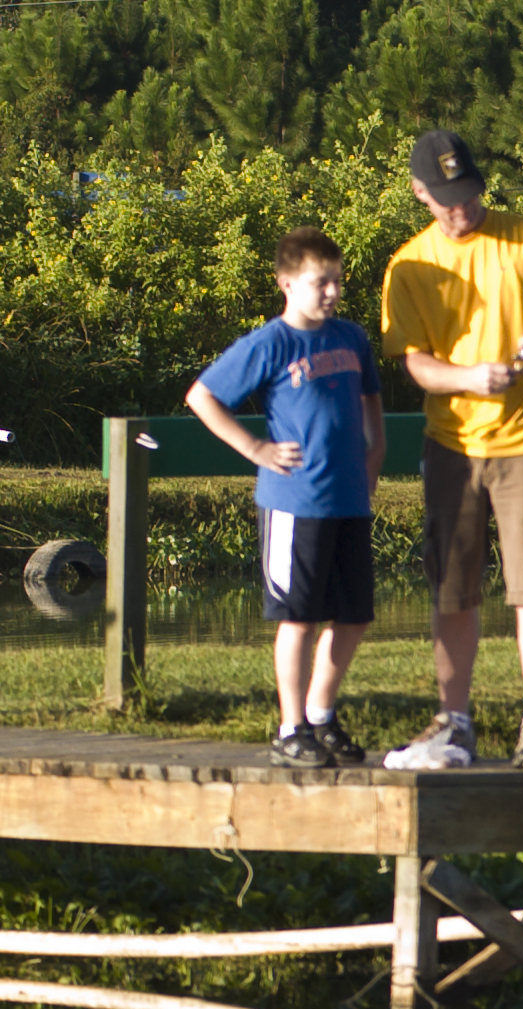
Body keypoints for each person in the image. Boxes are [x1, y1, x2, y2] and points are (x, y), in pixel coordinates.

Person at [376, 129, 523, 772]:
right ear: (420, 194)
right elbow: (414, 363)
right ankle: (455, 720)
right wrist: (469, 378)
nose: (460, 207)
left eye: (468, 192)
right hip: (452, 444)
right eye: (446, 198)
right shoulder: (408, 265)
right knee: (450, 584)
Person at [186, 226, 386, 768]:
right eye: (320, 283)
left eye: (337, 282)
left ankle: (321, 715)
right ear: (287, 283)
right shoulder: (270, 343)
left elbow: (371, 400)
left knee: (355, 615)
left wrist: (376, 450)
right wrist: (255, 447)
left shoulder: (351, 338)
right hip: (295, 502)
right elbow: (202, 396)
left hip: (349, 498)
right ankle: (290, 727)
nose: (332, 293)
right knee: (298, 616)